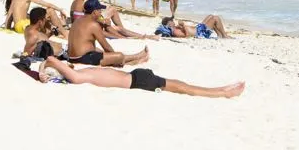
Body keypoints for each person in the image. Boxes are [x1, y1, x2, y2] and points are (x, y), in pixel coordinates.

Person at [38, 54, 245, 98]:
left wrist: (42, 73)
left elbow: (51, 59)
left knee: (184, 88)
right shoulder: (80, 72)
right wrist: (43, 69)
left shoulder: (78, 76)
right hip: (135, 78)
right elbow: (50, 60)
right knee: (181, 86)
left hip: (138, 80)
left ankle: (222, 93)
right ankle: (221, 90)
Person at [66, 0, 149, 66]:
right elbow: (106, 47)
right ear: (94, 12)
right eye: (99, 11)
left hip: (71, 57)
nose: (101, 13)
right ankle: (136, 57)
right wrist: (115, 58)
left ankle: (132, 60)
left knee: (100, 52)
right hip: (83, 59)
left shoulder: (77, 21)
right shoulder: (93, 25)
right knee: (118, 55)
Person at [2, 0, 68, 35]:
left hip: (18, 27)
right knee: (50, 10)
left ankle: (56, 30)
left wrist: (7, 28)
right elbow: (47, 4)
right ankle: (65, 34)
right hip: (23, 26)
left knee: (42, 17)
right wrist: (60, 10)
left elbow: (9, 16)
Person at [158, 14, 229, 39]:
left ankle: (220, 35)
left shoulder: (176, 28)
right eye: (171, 20)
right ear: (169, 23)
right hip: (201, 33)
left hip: (198, 29)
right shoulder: (175, 31)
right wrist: (184, 25)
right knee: (215, 18)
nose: (173, 21)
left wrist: (182, 26)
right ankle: (224, 35)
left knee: (210, 16)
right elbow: (187, 36)